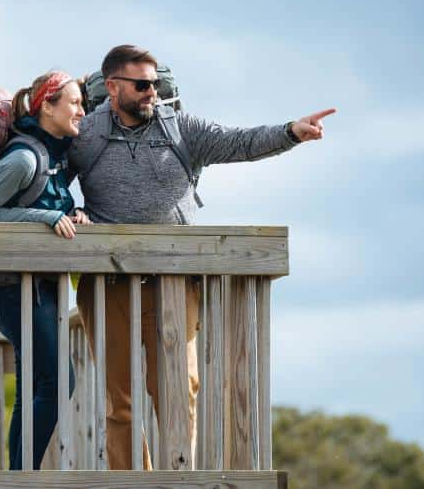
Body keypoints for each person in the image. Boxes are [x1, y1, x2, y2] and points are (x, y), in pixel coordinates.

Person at [69, 45, 336, 470]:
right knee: (119, 399)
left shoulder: (181, 128)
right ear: (114, 87)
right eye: (141, 85)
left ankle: (177, 477)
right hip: (109, 280)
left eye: (154, 84)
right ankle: (130, 481)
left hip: (174, 280)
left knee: (180, 385)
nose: (151, 93)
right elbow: (47, 177)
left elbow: (238, 142)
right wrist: (66, 212)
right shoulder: (84, 134)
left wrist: (290, 132)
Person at [0, 70, 90, 469]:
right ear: (47, 106)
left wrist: (73, 214)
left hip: (41, 289)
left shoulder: (54, 154)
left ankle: (18, 477)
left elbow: (47, 202)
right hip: (14, 290)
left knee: (32, 389)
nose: (82, 111)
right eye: (74, 103)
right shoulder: (23, 157)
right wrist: (44, 218)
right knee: (59, 383)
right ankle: (25, 476)